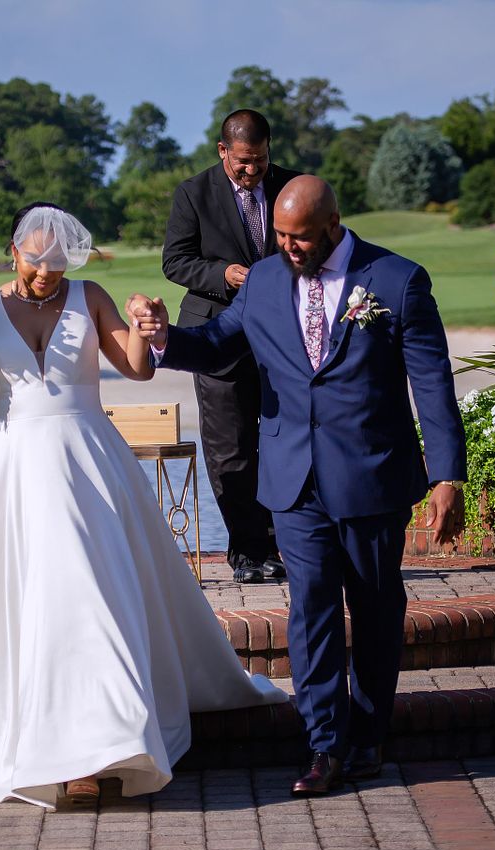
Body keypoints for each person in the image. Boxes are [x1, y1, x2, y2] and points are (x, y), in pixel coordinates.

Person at [0, 202, 285, 808]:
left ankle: (105, 744)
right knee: (35, 598)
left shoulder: (90, 295)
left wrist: (148, 328)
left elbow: (134, 369)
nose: (47, 272)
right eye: (36, 260)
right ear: (14, 250)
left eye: (56, 261)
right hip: (15, 469)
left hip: (88, 464)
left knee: (90, 594)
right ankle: (57, 736)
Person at [131, 176, 467, 797]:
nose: (288, 246)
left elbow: (431, 380)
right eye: (281, 235)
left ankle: (367, 737)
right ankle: (323, 746)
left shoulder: (397, 280)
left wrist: (447, 473)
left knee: (374, 609)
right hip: (291, 479)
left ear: (334, 223)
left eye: (301, 237)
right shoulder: (261, 281)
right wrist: (162, 338)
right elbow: (216, 346)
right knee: (309, 607)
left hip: (372, 475)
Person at [162, 109, 301, 584]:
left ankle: (290, 544)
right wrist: (224, 274)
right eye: (243, 161)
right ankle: (247, 551)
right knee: (230, 450)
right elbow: (175, 262)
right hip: (218, 334)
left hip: (287, 338)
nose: (251, 170)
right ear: (223, 151)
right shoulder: (192, 193)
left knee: (289, 440)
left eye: (260, 161)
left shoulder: (294, 186)